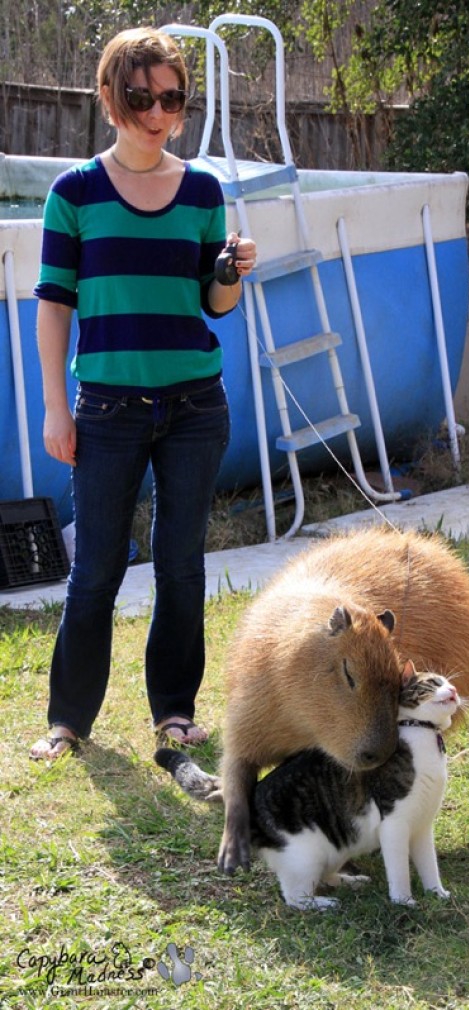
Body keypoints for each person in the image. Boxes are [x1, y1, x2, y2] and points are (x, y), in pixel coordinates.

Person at [30, 26, 256, 760]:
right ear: (108, 98)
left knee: (181, 563)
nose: (156, 112)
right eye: (138, 97)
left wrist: (229, 272)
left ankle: (174, 711)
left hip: (195, 405)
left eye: (171, 98)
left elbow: (212, 304)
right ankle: (69, 721)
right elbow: (54, 304)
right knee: (95, 568)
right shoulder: (75, 194)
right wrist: (55, 407)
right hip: (106, 410)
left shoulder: (202, 191)